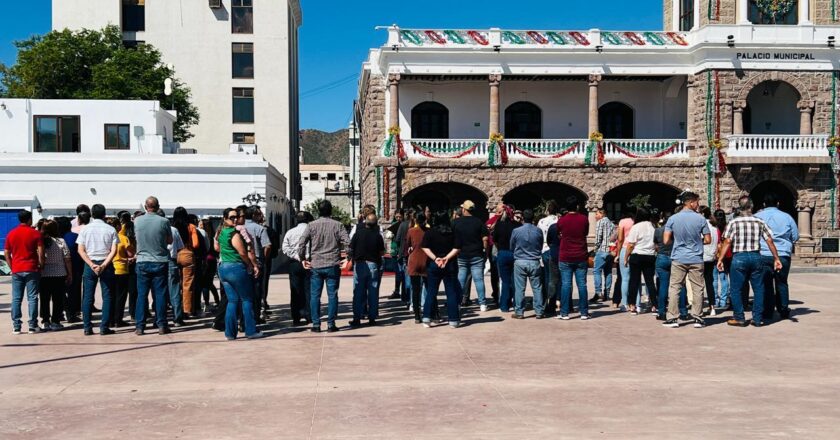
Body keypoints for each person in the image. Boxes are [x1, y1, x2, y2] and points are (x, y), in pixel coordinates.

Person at [718, 196, 783, 327]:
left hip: (739, 257)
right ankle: (757, 319)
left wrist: (720, 259)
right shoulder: (759, 221)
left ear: (739, 207)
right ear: (751, 206)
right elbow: (769, 240)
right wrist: (776, 258)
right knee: (759, 288)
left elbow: (727, 241)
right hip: (756, 256)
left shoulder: (733, 222)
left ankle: (739, 317)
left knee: (736, 289)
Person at [299, 200, 350, 333]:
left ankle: (316, 324)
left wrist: (302, 258)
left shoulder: (311, 225)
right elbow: (348, 243)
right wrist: (347, 258)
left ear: (318, 211)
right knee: (332, 295)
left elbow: (301, 243)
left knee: (315, 295)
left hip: (316, 264)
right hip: (332, 263)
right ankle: (331, 324)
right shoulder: (337, 225)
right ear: (331, 210)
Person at [662, 191, 711, 329]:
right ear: (690, 202)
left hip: (678, 257)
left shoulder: (672, 219)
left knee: (675, 287)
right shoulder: (701, 219)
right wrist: (697, 241)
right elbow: (708, 239)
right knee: (698, 288)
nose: (698, 204)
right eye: (697, 202)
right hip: (696, 258)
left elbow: (666, 240)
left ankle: (672, 318)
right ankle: (698, 317)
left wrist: (678, 241)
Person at [216, 208, 264, 340]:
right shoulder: (234, 233)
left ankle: (230, 333)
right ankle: (250, 330)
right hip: (236, 268)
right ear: (225, 218)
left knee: (232, 301)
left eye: (236, 217)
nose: (235, 219)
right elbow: (243, 252)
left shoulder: (221, 232)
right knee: (247, 299)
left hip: (223, 268)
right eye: (232, 217)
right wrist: (251, 265)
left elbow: (217, 248)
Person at [755, 193, 799, 320]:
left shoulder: (757, 217)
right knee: (782, 282)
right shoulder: (787, 217)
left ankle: (768, 311)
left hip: (763, 253)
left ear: (763, 204)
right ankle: (783, 309)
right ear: (778, 203)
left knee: (766, 283)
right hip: (783, 254)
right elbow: (795, 236)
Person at [77, 204, 118, 336]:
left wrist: (91, 264)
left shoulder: (85, 229)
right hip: (106, 263)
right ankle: (104, 327)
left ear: (92, 214)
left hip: (90, 264)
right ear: (104, 214)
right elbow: (114, 250)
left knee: (88, 296)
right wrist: (104, 264)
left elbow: (80, 250)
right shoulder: (111, 229)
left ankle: (87, 327)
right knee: (107, 296)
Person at [134, 197, 173, 335]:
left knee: (141, 295)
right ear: (158, 206)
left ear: (145, 206)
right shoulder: (164, 221)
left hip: (142, 260)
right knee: (160, 294)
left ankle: (140, 326)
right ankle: (161, 324)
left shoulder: (137, 221)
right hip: (159, 260)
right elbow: (169, 240)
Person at [421, 210, 463, 328]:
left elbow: (425, 247)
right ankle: (453, 320)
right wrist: (446, 258)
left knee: (431, 292)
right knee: (451, 292)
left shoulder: (430, 232)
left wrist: (436, 259)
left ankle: (427, 317)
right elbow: (457, 248)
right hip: (450, 265)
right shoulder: (453, 232)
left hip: (434, 265)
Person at [5, 210, 44, 334]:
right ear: (29, 219)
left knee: (16, 298)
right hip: (32, 268)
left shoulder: (11, 233)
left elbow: (6, 252)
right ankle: (32, 325)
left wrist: (12, 266)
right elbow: (41, 252)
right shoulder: (36, 234)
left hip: (17, 269)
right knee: (32, 297)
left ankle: (16, 326)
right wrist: (41, 265)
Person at [348, 212, 385, 327]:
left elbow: (350, 248)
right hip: (373, 264)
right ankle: (372, 317)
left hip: (359, 264)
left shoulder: (358, 234)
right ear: (375, 224)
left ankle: (357, 318)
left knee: (358, 292)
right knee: (373, 292)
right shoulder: (377, 236)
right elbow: (382, 252)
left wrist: (352, 258)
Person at [557, 197, 591, 320]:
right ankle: (584, 312)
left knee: (566, 284)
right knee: (582, 284)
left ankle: (564, 312)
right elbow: (586, 233)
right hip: (581, 255)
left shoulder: (562, 220)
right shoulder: (584, 219)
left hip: (565, 255)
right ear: (577, 206)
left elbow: (559, 232)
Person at [453, 200, 489, 311]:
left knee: (460, 279)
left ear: (464, 209)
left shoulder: (456, 222)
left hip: (461, 254)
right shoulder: (478, 222)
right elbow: (485, 239)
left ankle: (458, 302)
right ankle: (482, 303)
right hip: (477, 254)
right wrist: (485, 252)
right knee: (479, 280)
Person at [510, 209, 544, 319]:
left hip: (520, 260)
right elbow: (540, 244)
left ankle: (519, 311)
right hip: (534, 260)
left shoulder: (516, 231)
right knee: (537, 287)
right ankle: (539, 311)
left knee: (520, 288)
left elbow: (511, 246)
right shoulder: (538, 231)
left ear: (523, 218)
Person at [38, 219, 71, 331]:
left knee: (44, 299)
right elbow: (67, 259)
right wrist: (69, 273)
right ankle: (56, 321)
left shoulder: (40, 242)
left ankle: (45, 321)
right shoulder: (61, 241)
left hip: (44, 274)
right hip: (59, 273)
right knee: (57, 299)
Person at [624, 208, 657, 315]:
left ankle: (632, 305)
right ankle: (654, 305)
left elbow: (631, 244)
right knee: (650, 282)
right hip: (650, 255)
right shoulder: (653, 226)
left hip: (637, 255)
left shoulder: (636, 227)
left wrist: (626, 257)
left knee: (634, 281)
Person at [242, 206, 272, 322]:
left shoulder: (239, 228)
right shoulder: (260, 228)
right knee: (257, 290)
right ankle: (255, 315)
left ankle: (244, 317)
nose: (261, 216)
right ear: (254, 215)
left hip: (242, 261)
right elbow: (267, 246)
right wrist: (264, 257)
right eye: (259, 214)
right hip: (257, 262)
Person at [283, 211, 312, 326]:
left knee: (295, 290)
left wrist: (296, 256)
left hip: (294, 263)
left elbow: (285, 247)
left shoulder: (290, 232)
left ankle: (296, 316)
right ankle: (309, 314)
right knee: (308, 289)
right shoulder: (311, 231)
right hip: (309, 262)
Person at [172, 207, 200, 319]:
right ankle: (186, 310)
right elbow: (196, 244)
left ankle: (176, 310)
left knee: (175, 285)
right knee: (187, 285)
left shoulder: (172, 228)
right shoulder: (191, 227)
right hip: (188, 254)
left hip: (174, 255)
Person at [405, 212, 433, 323]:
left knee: (415, 290)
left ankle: (417, 315)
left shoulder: (411, 231)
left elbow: (407, 244)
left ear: (416, 220)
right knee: (430, 289)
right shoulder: (429, 231)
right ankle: (431, 312)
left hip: (415, 261)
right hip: (427, 260)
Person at [110, 212, 136, 327]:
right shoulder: (123, 238)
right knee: (120, 296)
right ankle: (118, 319)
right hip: (122, 268)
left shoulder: (106, 237)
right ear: (117, 226)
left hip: (109, 268)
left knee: (110, 296)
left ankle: (109, 319)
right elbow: (130, 254)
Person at [492, 206, 520, 313]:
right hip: (514, 253)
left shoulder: (499, 225)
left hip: (503, 252)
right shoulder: (517, 225)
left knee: (505, 280)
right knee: (515, 280)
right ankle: (516, 303)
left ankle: (504, 305)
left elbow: (494, 240)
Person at [64, 211, 88, 322]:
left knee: (63, 291)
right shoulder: (75, 235)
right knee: (76, 290)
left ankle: (65, 311)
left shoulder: (64, 236)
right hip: (78, 265)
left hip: (63, 267)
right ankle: (75, 311)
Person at [537, 200, 560, 316]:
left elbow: (538, 235)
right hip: (555, 249)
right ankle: (552, 303)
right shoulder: (558, 221)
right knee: (554, 279)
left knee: (545, 278)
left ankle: (544, 303)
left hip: (543, 249)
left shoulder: (541, 221)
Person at [166, 210, 186, 326]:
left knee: (158, 291)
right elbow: (180, 247)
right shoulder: (173, 230)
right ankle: (177, 317)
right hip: (171, 261)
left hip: (155, 260)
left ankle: (160, 318)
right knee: (174, 290)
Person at [592, 208, 615, 303]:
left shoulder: (600, 222)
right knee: (608, 272)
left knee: (596, 271)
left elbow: (598, 238)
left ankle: (598, 292)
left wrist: (595, 249)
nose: (595, 216)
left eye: (596, 214)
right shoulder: (611, 223)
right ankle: (607, 293)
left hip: (602, 250)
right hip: (610, 251)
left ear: (602, 214)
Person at [700, 206, 720, 316]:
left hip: (701, 256)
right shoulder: (715, 227)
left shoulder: (701, 225)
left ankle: (700, 307)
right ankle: (712, 306)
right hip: (711, 257)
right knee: (709, 283)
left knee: (699, 284)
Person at [614, 210, 635, 310]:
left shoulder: (622, 222)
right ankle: (635, 304)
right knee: (635, 278)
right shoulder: (635, 221)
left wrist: (618, 253)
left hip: (624, 248)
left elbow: (620, 239)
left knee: (625, 278)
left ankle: (624, 303)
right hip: (635, 249)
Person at [198, 218, 220, 313]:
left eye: (200, 224)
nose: (199, 226)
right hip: (212, 261)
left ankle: (206, 303)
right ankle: (217, 300)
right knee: (209, 283)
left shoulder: (202, 235)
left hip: (206, 261)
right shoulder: (214, 236)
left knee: (205, 284)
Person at [713, 209, 731, 310]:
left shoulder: (714, 228)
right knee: (724, 278)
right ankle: (724, 301)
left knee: (714, 278)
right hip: (726, 255)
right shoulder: (727, 227)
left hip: (715, 255)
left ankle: (716, 300)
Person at [388, 210, 408, 301]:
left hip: (401, 250)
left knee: (403, 273)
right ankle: (397, 291)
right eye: (397, 217)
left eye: (400, 217)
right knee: (397, 272)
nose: (398, 218)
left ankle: (404, 292)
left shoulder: (405, 224)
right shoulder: (393, 224)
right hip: (394, 250)